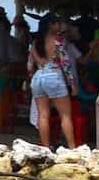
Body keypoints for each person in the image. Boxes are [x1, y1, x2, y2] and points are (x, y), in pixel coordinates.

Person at [28, 20, 79, 148]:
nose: (60, 25)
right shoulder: (58, 40)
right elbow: (65, 64)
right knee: (65, 116)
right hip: (54, 75)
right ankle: (72, 148)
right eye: (57, 22)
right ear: (51, 25)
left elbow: (30, 65)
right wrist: (72, 84)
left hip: (38, 76)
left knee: (43, 116)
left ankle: (45, 147)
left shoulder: (35, 43)